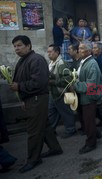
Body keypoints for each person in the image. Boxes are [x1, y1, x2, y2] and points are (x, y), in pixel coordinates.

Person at [10, 35, 62, 173]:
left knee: (34, 130)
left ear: (28, 46)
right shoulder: (23, 60)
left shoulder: (36, 59)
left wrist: (19, 87)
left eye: (19, 45)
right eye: (15, 46)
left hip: (37, 99)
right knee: (44, 125)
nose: (17, 48)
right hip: (30, 99)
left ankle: (33, 159)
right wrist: (22, 98)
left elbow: (39, 83)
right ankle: (55, 148)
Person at [74, 41, 102, 154]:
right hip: (83, 96)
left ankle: (91, 143)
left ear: (89, 51)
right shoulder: (83, 61)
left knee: (88, 120)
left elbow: (91, 85)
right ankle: (96, 133)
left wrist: (75, 86)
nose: (79, 50)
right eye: (79, 48)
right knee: (86, 119)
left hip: (89, 97)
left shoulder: (92, 64)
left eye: (82, 48)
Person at [47, 44, 76, 138]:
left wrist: (52, 81)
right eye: (48, 52)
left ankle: (71, 129)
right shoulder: (52, 63)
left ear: (57, 52)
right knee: (51, 112)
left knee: (66, 112)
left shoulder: (61, 64)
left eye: (50, 52)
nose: (48, 54)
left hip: (61, 93)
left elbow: (67, 79)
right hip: (53, 93)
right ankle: (51, 130)